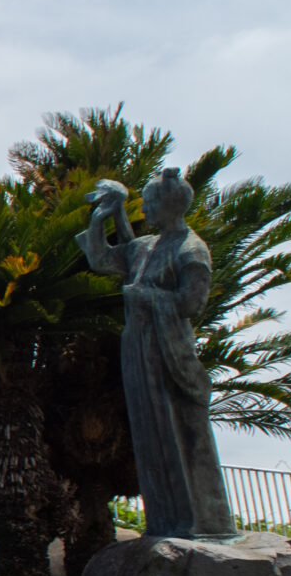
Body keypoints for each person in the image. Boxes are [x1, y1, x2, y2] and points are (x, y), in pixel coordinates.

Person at [79, 168, 237, 538]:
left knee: (178, 428)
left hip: (169, 352)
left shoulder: (191, 250)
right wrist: (102, 218)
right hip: (138, 348)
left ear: (169, 205)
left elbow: (190, 304)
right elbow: (102, 261)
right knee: (150, 432)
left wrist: (146, 296)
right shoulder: (145, 245)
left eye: (149, 202)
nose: (144, 209)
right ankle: (166, 520)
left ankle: (201, 522)